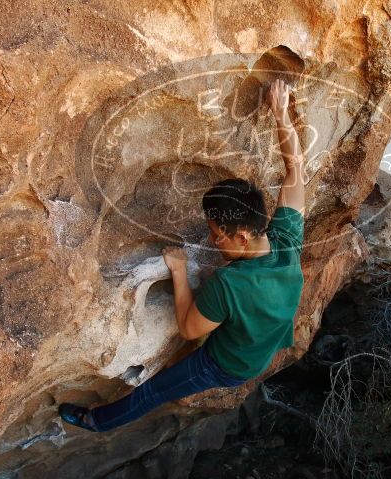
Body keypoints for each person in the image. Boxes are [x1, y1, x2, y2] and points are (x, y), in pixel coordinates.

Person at [59, 78, 305, 432]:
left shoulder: (230, 284)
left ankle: (97, 421)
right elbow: (296, 168)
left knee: (155, 391)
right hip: (261, 344)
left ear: (242, 235)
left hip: (228, 364)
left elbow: (190, 329)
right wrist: (280, 113)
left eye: (218, 235)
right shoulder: (286, 238)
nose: (211, 239)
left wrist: (178, 270)